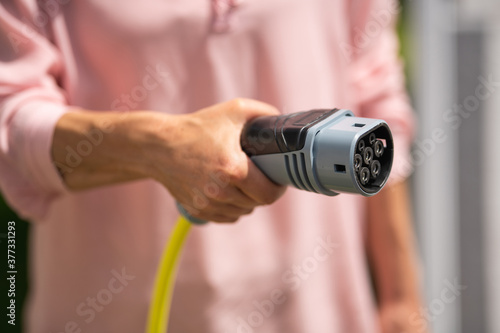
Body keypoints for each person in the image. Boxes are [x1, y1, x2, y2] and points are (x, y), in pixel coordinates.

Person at [0, 0, 424, 332]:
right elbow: (11, 119)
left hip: (314, 308)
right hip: (115, 312)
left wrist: (402, 301)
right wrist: (159, 146)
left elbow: (372, 84)